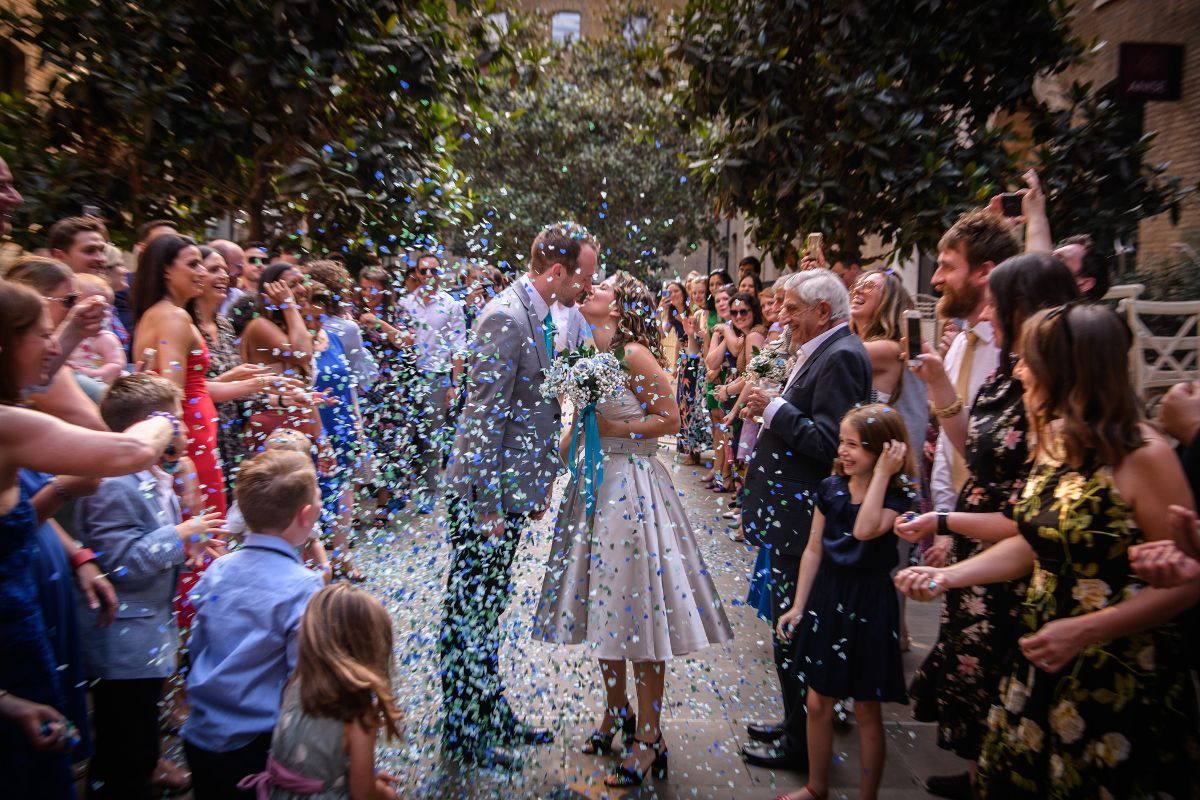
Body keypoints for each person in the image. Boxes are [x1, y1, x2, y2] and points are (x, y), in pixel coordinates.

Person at [896, 304, 1200, 799]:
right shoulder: (1056, 438)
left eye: (1028, 360)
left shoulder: (1146, 456)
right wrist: (949, 576)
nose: (1017, 370)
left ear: (1068, 370)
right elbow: (1031, 542)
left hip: (1116, 669)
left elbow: (1190, 581)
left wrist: (1084, 630)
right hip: (1042, 650)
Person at [535, 272, 733, 788]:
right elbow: (578, 424)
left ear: (618, 308)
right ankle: (615, 714)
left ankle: (650, 738)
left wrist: (618, 429)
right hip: (594, 485)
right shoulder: (583, 354)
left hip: (632, 488)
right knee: (601, 606)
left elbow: (670, 418)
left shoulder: (633, 355)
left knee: (637, 614)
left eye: (601, 287)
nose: (590, 288)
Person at [899, 252, 1079, 800]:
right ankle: (983, 773)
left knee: (1002, 671)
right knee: (980, 678)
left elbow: (1036, 514)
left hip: (1016, 545)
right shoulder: (1010, 372)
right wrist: (939, 386)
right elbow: (976, 451)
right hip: (981, 528)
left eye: (998, 305)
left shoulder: (1059, 393)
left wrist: (949, 521)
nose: (989, 314)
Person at [0, 279, 183, 799]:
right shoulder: (7, 426)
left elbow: (33, 381)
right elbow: (126, 454)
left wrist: (57, 498)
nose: (56, 348)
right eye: (42, 336)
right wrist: (165, 419)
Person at [441, 222, 597, 768]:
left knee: (490, 606)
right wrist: (487, 507)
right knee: (470, 612)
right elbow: (482, 420)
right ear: (556, 271)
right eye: (585, 275)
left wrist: (534, 486)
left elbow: (529, 410)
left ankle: (489, 710)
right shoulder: (507, 317)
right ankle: (462, 733)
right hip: (484, 498)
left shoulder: (539, 313)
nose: (588, 286)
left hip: (508, 491)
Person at [737, 269, 872, 770]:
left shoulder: (840, 355)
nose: (781, 317)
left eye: (791, 309)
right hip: (790, 514)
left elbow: (830, 442)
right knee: (785, 628)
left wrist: (773, 409)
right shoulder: (826, 347)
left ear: (822, 311)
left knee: (794, 630)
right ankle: (792, 722)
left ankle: (799, 744)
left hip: (803, 516)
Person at [74, 373, 227, 800]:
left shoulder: (153, 472)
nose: (182, 424)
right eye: (176, 417)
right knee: (124, 741)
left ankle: (140, 770)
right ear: (151, 424)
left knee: (139, 730)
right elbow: (121, 563)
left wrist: (189, 545)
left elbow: (154, 537)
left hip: (146, 629)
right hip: (120, 640)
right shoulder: (112, 484)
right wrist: (178, 536)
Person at [775, 405, 916, 800]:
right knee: (818, 700)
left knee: (868, 709)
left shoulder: (897, 496)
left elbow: (865, 528)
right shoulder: (830, 488)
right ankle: (816, 786)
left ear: (885, 449)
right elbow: (814, 549)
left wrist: (884, 475)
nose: (845, 451)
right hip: (828, 595)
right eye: (842, 442)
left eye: (855, 444)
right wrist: (799, 604)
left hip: (870, 602)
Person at [183, 450, 325, 800]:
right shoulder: (304, 587)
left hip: (200, 735)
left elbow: (197, 646)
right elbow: (301, 681)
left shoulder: (218, 569)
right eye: (319, 497)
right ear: (306, 516)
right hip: (257, 746)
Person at [237, 584, 402, 800]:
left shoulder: (297, 683)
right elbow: (364, 793)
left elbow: (314, 756)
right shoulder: (359, 712)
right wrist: (387, 794)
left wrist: (368, 774)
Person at [926, 210, 1020, 575]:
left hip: (1004, 541)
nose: (936, 279)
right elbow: (952, 452)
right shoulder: (960, 346)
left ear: (984, 272)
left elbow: (981, 450)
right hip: (958, 529)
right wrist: (945, 521)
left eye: (947, 267)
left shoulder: (1014, 356)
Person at [396, 251, 466, 514]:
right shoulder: (405, 303)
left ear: (441, 274)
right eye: (423, 271)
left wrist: (454, 384)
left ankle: (428, 491)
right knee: (405, 435)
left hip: (437, 376)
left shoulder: (451, 305)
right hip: (409, 376)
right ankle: (400, 490)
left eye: (433, 271)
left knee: (431, 438)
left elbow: (458, 348)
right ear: (416, 273)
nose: (428, 276)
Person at [356, 265, 414, 528]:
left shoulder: (397, 312)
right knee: (360, 448)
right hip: (361, 391)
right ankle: (353, 510)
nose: (369, 294)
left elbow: (406, 340)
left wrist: (378, 322)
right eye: (365, 288)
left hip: (390, 391)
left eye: (375, 289)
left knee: (389, 450)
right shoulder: (350, 311)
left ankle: (383, 506)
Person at [64, 273, 127, 385]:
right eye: (93, 307)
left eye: (106, 308)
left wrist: (92, 373)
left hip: (103, 386)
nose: (104, 313)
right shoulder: (66, 334)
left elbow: (117, 365)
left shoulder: (104, 338)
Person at [680, 274, 712, 463]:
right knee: (697, 412)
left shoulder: (713, 315)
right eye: (695, 292)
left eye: (702, 292)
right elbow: (694, 351)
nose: (699, 296)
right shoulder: (697, 314)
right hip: (701, 367)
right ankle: (694, 452)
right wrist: (691, 335)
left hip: (713, 367)